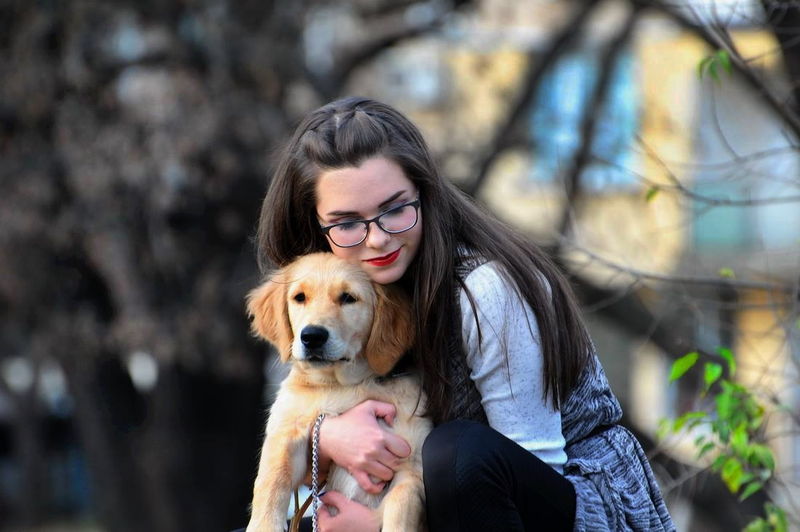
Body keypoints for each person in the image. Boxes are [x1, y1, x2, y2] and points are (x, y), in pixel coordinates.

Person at [253, 96, 675, 532]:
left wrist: (379, 526)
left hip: (580, 511)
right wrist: (325, 436)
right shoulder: (342, 290)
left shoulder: (486, 290)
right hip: (423, 505)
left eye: (395, 209)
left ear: (425, 194)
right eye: (346, 223)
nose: (377, 239)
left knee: (456, 451)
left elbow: (517, 477)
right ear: (316, 224)